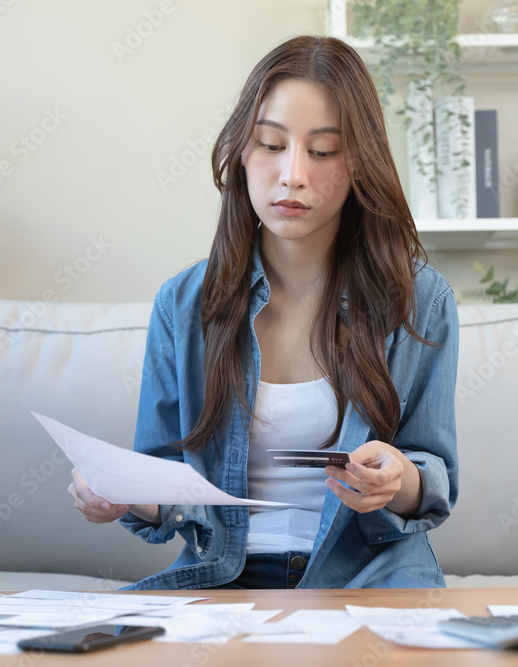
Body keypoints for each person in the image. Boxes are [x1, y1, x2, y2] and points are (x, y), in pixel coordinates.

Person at [68, 34, 458, 590]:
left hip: (370, 581)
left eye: (322, 151)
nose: (293, 174)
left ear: (359, 164)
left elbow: (434, 477)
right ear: (241, 154)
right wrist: (119, 491)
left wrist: (397, 481)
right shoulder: (183, 305)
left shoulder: (420, 299)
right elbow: (159, 485)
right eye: (271, 144)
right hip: (224, 581)